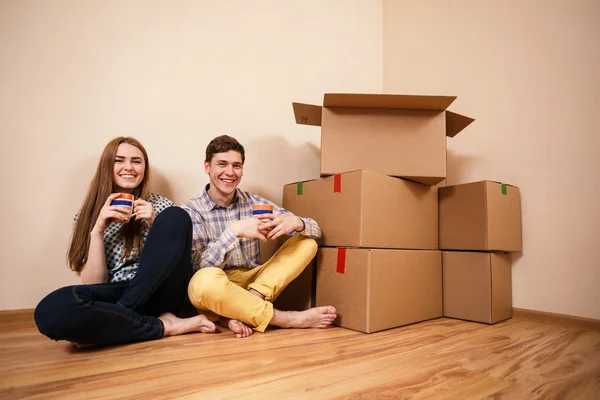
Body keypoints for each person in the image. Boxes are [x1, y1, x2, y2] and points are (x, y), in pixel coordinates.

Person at [34, 137, 215, 347]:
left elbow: (179, 263)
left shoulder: (160, 205)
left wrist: (154, 222)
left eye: (136, 161)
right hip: (118, 290)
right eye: (119, 160)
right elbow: (95, 284)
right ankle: (164, 326)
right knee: (50, 309)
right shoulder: (88, 216)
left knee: (176, 215)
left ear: (144, 168)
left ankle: (118, 318)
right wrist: (98, 230)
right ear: (107, 166)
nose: (128, 167)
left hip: (160, 294)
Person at [182, 135, 337, 338]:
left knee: (307, 243)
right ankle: (288, 319)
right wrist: (233, 232)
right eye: (222, 164)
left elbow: (316, 231)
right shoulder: (191, 210)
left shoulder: (255, 203)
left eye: (236, 166)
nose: (230, 172)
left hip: (255, 283)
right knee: (201, 282)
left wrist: (297, 223)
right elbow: (199, 268)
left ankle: (242, 309)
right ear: (207, 167)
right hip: (218, 285)